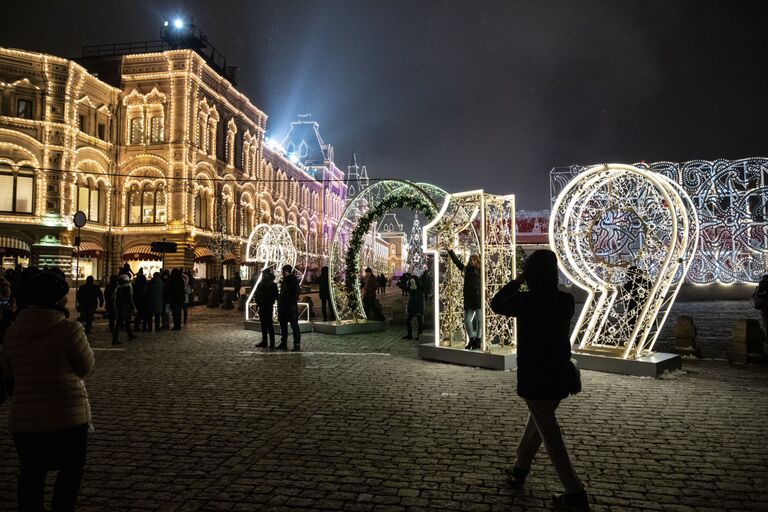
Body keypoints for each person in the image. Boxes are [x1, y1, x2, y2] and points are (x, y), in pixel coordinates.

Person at [490, 250, 589, 511]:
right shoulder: (565, 301)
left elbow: (496, 303)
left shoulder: (526, 301)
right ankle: (520, 468)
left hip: (535, 375)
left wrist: (518, 280)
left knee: (549, 433)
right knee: (538, 423)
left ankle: (574, 491)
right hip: (559, 373)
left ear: (531, 273)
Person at [0, 271, 95, 512]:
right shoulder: (69, 330)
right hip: (67, 416)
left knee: (31, 474)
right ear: (56, 299)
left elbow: (9, 372)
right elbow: (86, 366)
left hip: (24, 419)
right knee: (69, 475)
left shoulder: (12, 332)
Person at [444, 248, 483, 350]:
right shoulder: (466, 269)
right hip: (469, 299)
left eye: (474, 260)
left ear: (477, 261)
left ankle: (478, 340)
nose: (472, 261)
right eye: (471, 260)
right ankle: (472, 339)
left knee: (480, 321)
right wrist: (450, 251)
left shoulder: (481, 270)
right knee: (467, 320)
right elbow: (457, 262)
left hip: (478, 299)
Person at [277, 265, 301, 352]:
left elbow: (292, 294)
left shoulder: (291, 281)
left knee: (294, 326)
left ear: (287, 271)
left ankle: (296, 344)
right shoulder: (286, 281)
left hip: (290, 307)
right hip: (286, 306)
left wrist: (283, 301)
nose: (282, 273)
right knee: (283, 326)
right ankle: (284, 343)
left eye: (283, 271)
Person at [254, 268, 279, 349]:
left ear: (268, 274)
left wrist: (270, 300)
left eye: (265, 274)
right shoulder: (261, 284)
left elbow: (276, 295)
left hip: (268, 306)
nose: (264, 275)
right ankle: (264, 341)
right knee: (263, 325)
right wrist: (258, 302)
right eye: (263, 274)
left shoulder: (272, 284)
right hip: (262, 306)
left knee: (269, 324)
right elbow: (256, 294)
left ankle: (272, 342)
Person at [112, 274, 137, 345]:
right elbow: (129, 299)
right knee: (118, 324)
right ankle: (115, 339)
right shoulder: (126, 288)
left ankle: (130, 335)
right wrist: (134, 308)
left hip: (120, 308)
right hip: (123, 308)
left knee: (126, 322)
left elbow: (113, 298)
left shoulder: (118, 288)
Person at [403, 272, 424, 340]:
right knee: (409, 320)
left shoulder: (417, 290)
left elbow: (417, 300)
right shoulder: (413, 290)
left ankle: (419, 335)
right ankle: (410, 335)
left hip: (417, 308)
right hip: (413, 308)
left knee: (418, 321)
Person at [752, 274, 768, 344]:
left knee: (766, 321)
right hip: (765, 305)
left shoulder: (762, 283)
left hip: (765, 305)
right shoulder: (762, 283)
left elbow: (758, 294)